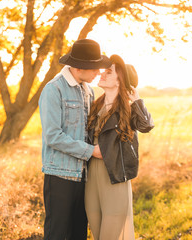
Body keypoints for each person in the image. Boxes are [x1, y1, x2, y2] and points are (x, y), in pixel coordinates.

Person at [38, 39, 112, 240]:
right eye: (95, 68)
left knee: (79, 233)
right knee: (57, 234)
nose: (98, 72)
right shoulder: (54, 90)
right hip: (60, 175)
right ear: (80, 67)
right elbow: (53, 136)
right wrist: (91, 151)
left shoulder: (88, 90)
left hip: (83, 176)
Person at [85, 54, 155, 240]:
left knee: (110, 235)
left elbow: (146, 125)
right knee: (97, 232)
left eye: (109, 72)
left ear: (120, 80)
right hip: (91, 178)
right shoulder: (94, 106)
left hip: (115, 178)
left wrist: (137, 99)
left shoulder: (129, 109)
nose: (102, 74)